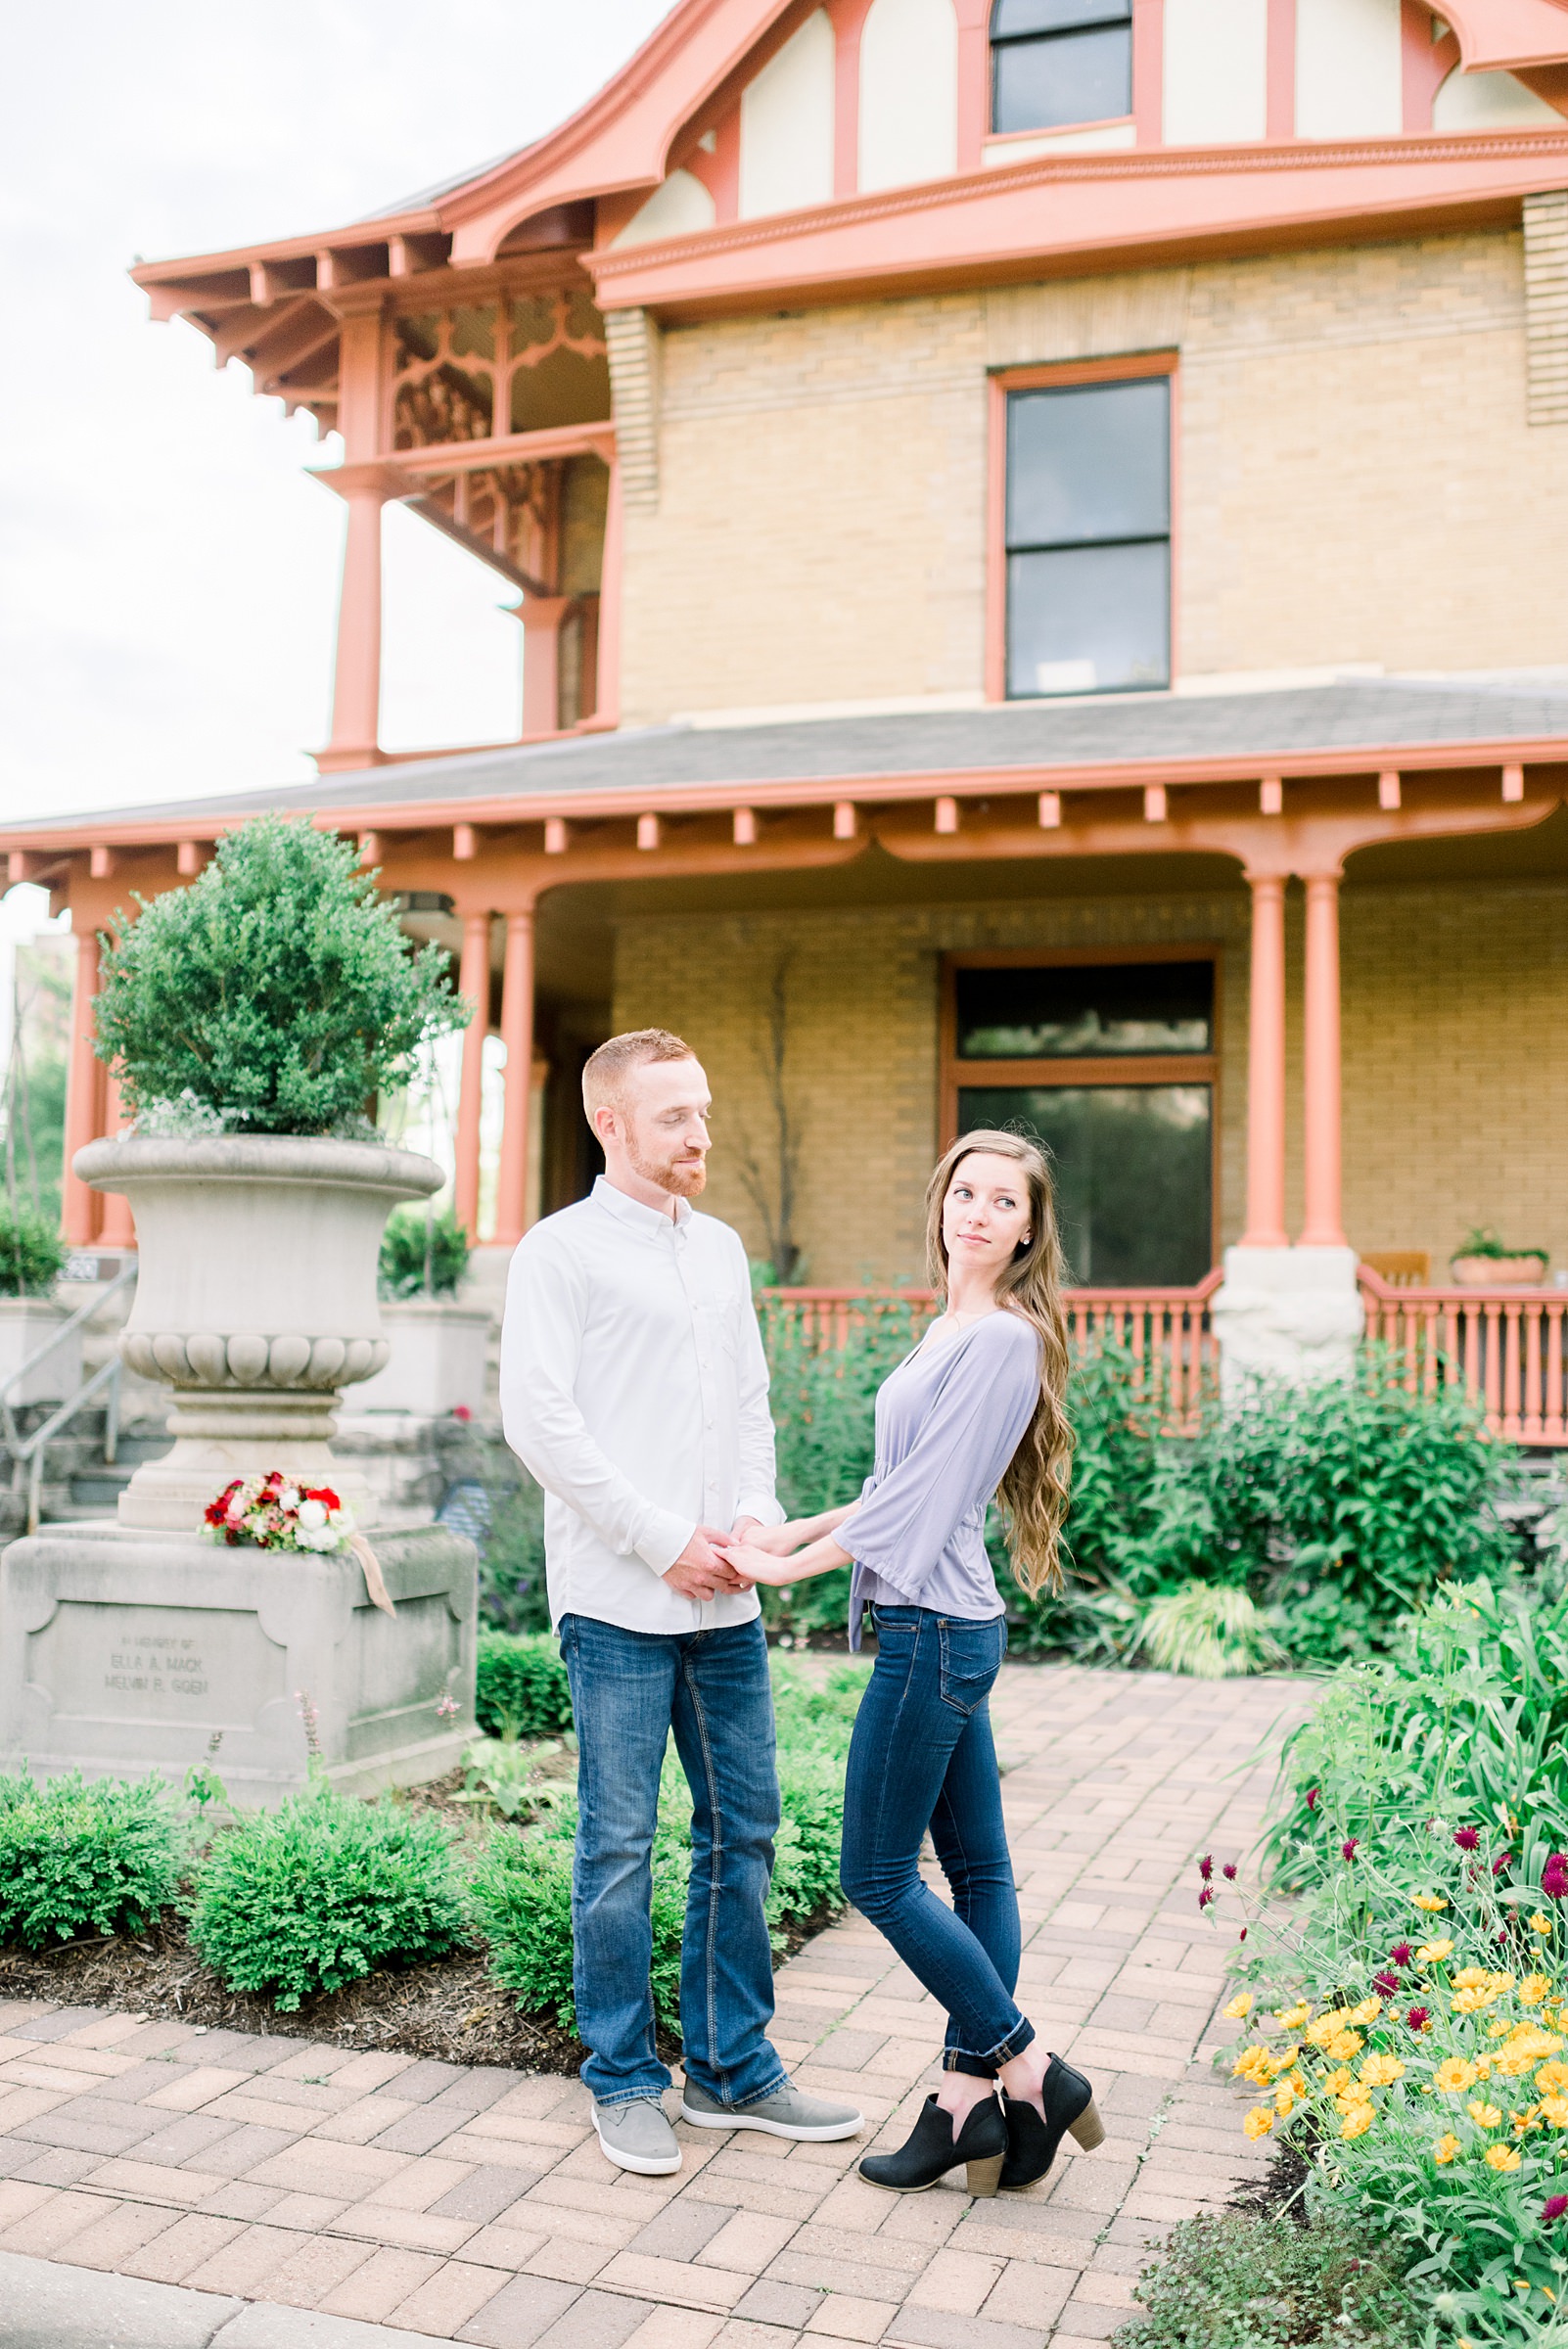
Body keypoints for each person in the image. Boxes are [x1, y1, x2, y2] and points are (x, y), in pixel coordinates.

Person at [500, 1028, 862, 2178]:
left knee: (744, 1831)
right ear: (611, 1123)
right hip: (618, 1601)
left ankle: (732, 2072)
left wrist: (752, 1520)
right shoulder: (556, 1254)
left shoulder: (721, 1251)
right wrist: (664, 1543)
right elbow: (541, 1424)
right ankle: (621, 2078)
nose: (699, 1134)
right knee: (617, 1848)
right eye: (674, 1117)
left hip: (728, 1609)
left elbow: (750, 1405)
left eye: (702, 1112)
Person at [718, 1129, 1103, 2198]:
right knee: (980, 1875)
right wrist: (790, 1532)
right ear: (942, 1207)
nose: (977, 1212)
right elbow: (902, 1485)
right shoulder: (954, 1329)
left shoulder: (1001, 1342)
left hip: (932, 1637)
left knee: (875, 1877)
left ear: (1029, 1227)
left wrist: (786, 1576)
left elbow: (928, 1508)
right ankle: (966, 2106)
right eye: (963, 1192)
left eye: (1002, 1200)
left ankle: (1029, 2069)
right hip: (946, 1627)